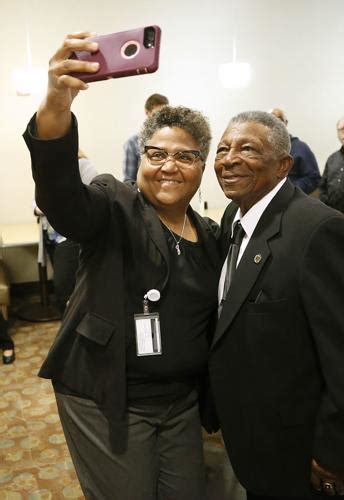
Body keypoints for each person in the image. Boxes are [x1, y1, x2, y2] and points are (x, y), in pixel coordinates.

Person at [23, 32, 220, 500]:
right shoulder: (116, 202)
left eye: (185, 156)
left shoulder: (211, 233)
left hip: (180, 402)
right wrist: (56, 102)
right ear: (141, 159)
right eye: (157, 154)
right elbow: (61, 198)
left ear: (202, 165)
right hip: (106, 396)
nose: (168, 166)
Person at [209, 110, 344, 499]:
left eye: (247, 148)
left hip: (315, 460)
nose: (228, 158)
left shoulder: (321, 231)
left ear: (284, 165)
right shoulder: (233, 218)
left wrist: (335, 452)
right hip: (263, 449)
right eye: (222, 149)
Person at [34, 149, 98, 314]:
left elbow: (87, 200)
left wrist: (49, 205)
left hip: (70, 236)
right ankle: (70, 328)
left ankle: (73, 330)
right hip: (51, 235)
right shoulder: (48, 169)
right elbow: (37, 203)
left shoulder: (83, 166)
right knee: (65, 287)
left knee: (64, 287)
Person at [270, 108, 321, 194]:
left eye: (279, 121)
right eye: (271, 122)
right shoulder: (261, 149)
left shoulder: (300, 148)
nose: (276, 126)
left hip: (291, 200)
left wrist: (289, 191)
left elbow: (314, 178)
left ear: (285, 123)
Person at [122, 93, 169, 181]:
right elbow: (129, 182)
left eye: (164, 114)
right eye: (156, 114)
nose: (161, 119)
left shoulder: (173, 141)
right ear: (147, 112)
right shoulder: (133, 143)